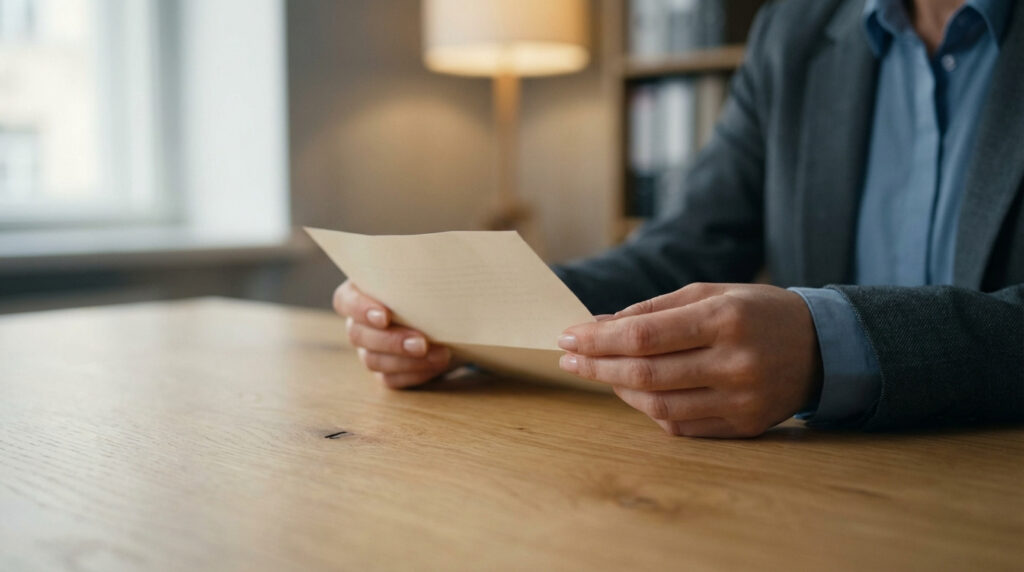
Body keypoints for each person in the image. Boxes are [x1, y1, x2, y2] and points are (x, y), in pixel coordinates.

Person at [334, 0, 1024, 437]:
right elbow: (683, 249)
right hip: (822, 493)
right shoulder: (796, 28)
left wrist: (829, 346)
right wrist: (472, 317)